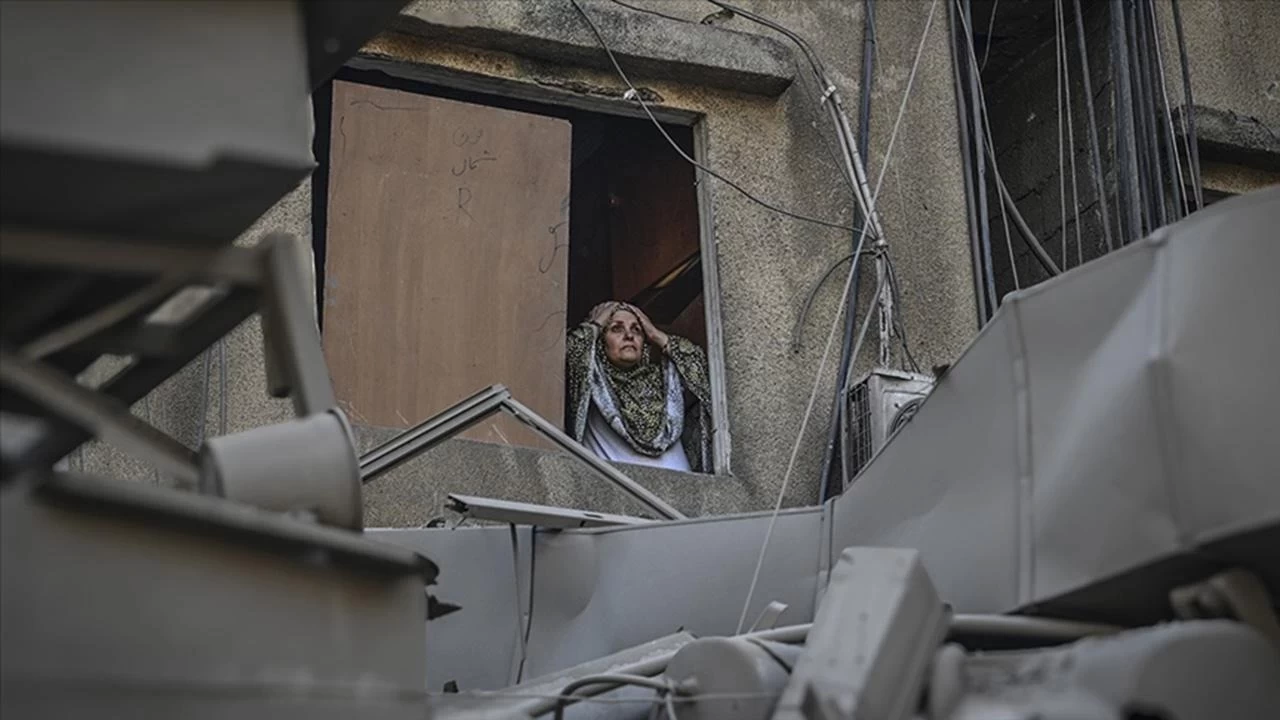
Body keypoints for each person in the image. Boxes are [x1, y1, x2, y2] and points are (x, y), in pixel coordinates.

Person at [565, 301, 712, 472]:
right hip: (618, 484)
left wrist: (655, 333)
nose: (629, 335)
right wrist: (596, 323)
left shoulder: (665, 380)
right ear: (600, 341)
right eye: (617, 329)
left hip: (682, 484)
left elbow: (697, 364)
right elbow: (572, 349)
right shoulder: (592, 379)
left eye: (637, 330)